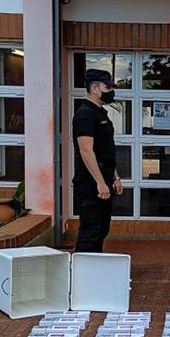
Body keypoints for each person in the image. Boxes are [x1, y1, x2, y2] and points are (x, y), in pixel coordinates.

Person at [72, 68, 123, 253]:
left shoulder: (100, 113)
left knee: (101, 230)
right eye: (107, 87)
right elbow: (86, 151)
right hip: (90, 183)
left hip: (104, 180)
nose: (111, 91)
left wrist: (115, 178)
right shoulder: (85, 114)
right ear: (94, 88)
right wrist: (100, 182)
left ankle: (95, 273)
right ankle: (81, 277)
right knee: (89, 233)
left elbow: (106, 150)